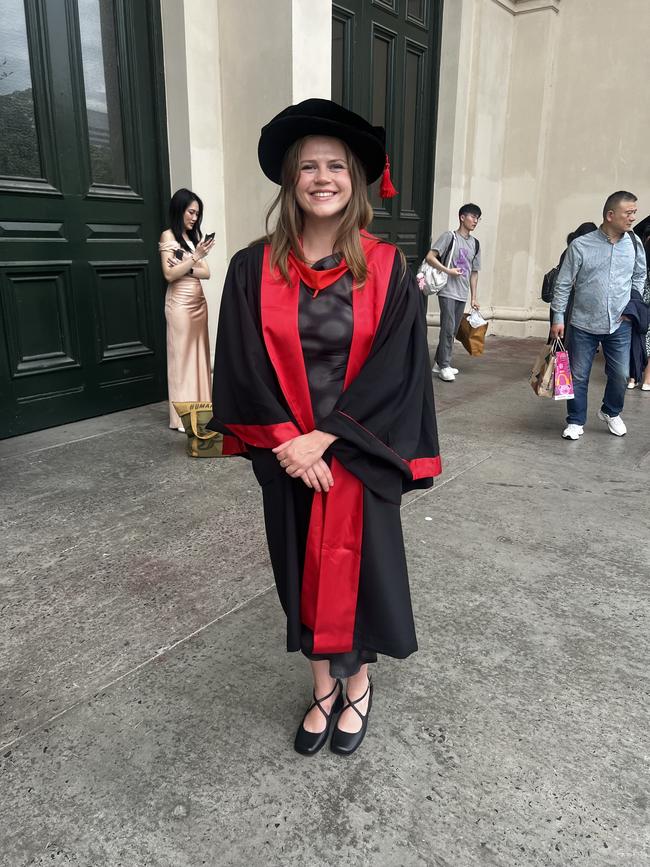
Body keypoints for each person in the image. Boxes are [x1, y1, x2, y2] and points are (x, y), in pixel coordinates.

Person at [207, 99, 441, 756]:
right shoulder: (252, 268)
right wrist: (287, 440)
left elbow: (398, 370)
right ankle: (321, 686)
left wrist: (329, 437)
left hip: (357, 453)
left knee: (363, 575)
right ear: (290, 180)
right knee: (297, 573)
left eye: (335, 165)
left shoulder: (391, 270)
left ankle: (357, 685)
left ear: (355, 179)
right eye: (307, 165)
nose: (322, 176)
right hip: (286, 456)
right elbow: (243, 362)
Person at [550, 191, 647, 440]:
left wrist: (630, 305)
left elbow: (640, 274)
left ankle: (610, 411)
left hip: (619, 323)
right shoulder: (581, 246)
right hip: (583, 323)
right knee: (579, 374)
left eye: (634, 212)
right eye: (629, 213)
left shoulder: (634, 244)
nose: (633, 217)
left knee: (621, 374)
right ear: (610, 215)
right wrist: (558, 317)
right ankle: (575, 421)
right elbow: (562, 283)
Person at [159, 189, 215, 431]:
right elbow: (169, 274)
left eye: (197, 213)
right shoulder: (167, 236)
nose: (194, 217)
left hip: (198, 303)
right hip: (179, 305)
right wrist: (195, 258)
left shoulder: (192, 238)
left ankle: (201, 411)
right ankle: (181, 417)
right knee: (181, 358)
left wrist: (187, 262)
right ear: (179, 209)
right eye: (191, 212)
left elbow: (207, 273)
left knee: (199, 356)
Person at [428, 204, 482, 382]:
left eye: (477, 218)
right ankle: (444, 365)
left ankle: (438, 363)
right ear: (462, 217)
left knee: (452, 328)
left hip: (462, 292)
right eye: (472, 216)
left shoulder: (475, 243)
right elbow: (430, 256)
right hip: (447, 290)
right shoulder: (449, 237)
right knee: (448, 327)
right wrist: (447, 270)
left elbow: (474, 272)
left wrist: (474, 297)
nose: (475, 221)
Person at [547, 222, 598, 344]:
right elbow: (566, 280)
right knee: (563, 340)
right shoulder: (574, 250)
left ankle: (560, 362)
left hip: (566, 301)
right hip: (568, 301)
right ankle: (560, 363)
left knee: (561, 340)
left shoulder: (571, 249)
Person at [626, 223, 650, 391]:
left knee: (637, 338)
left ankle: (633, 378)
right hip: (643, 298)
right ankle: (647, 380)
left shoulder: (643, 244)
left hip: (641, 300)